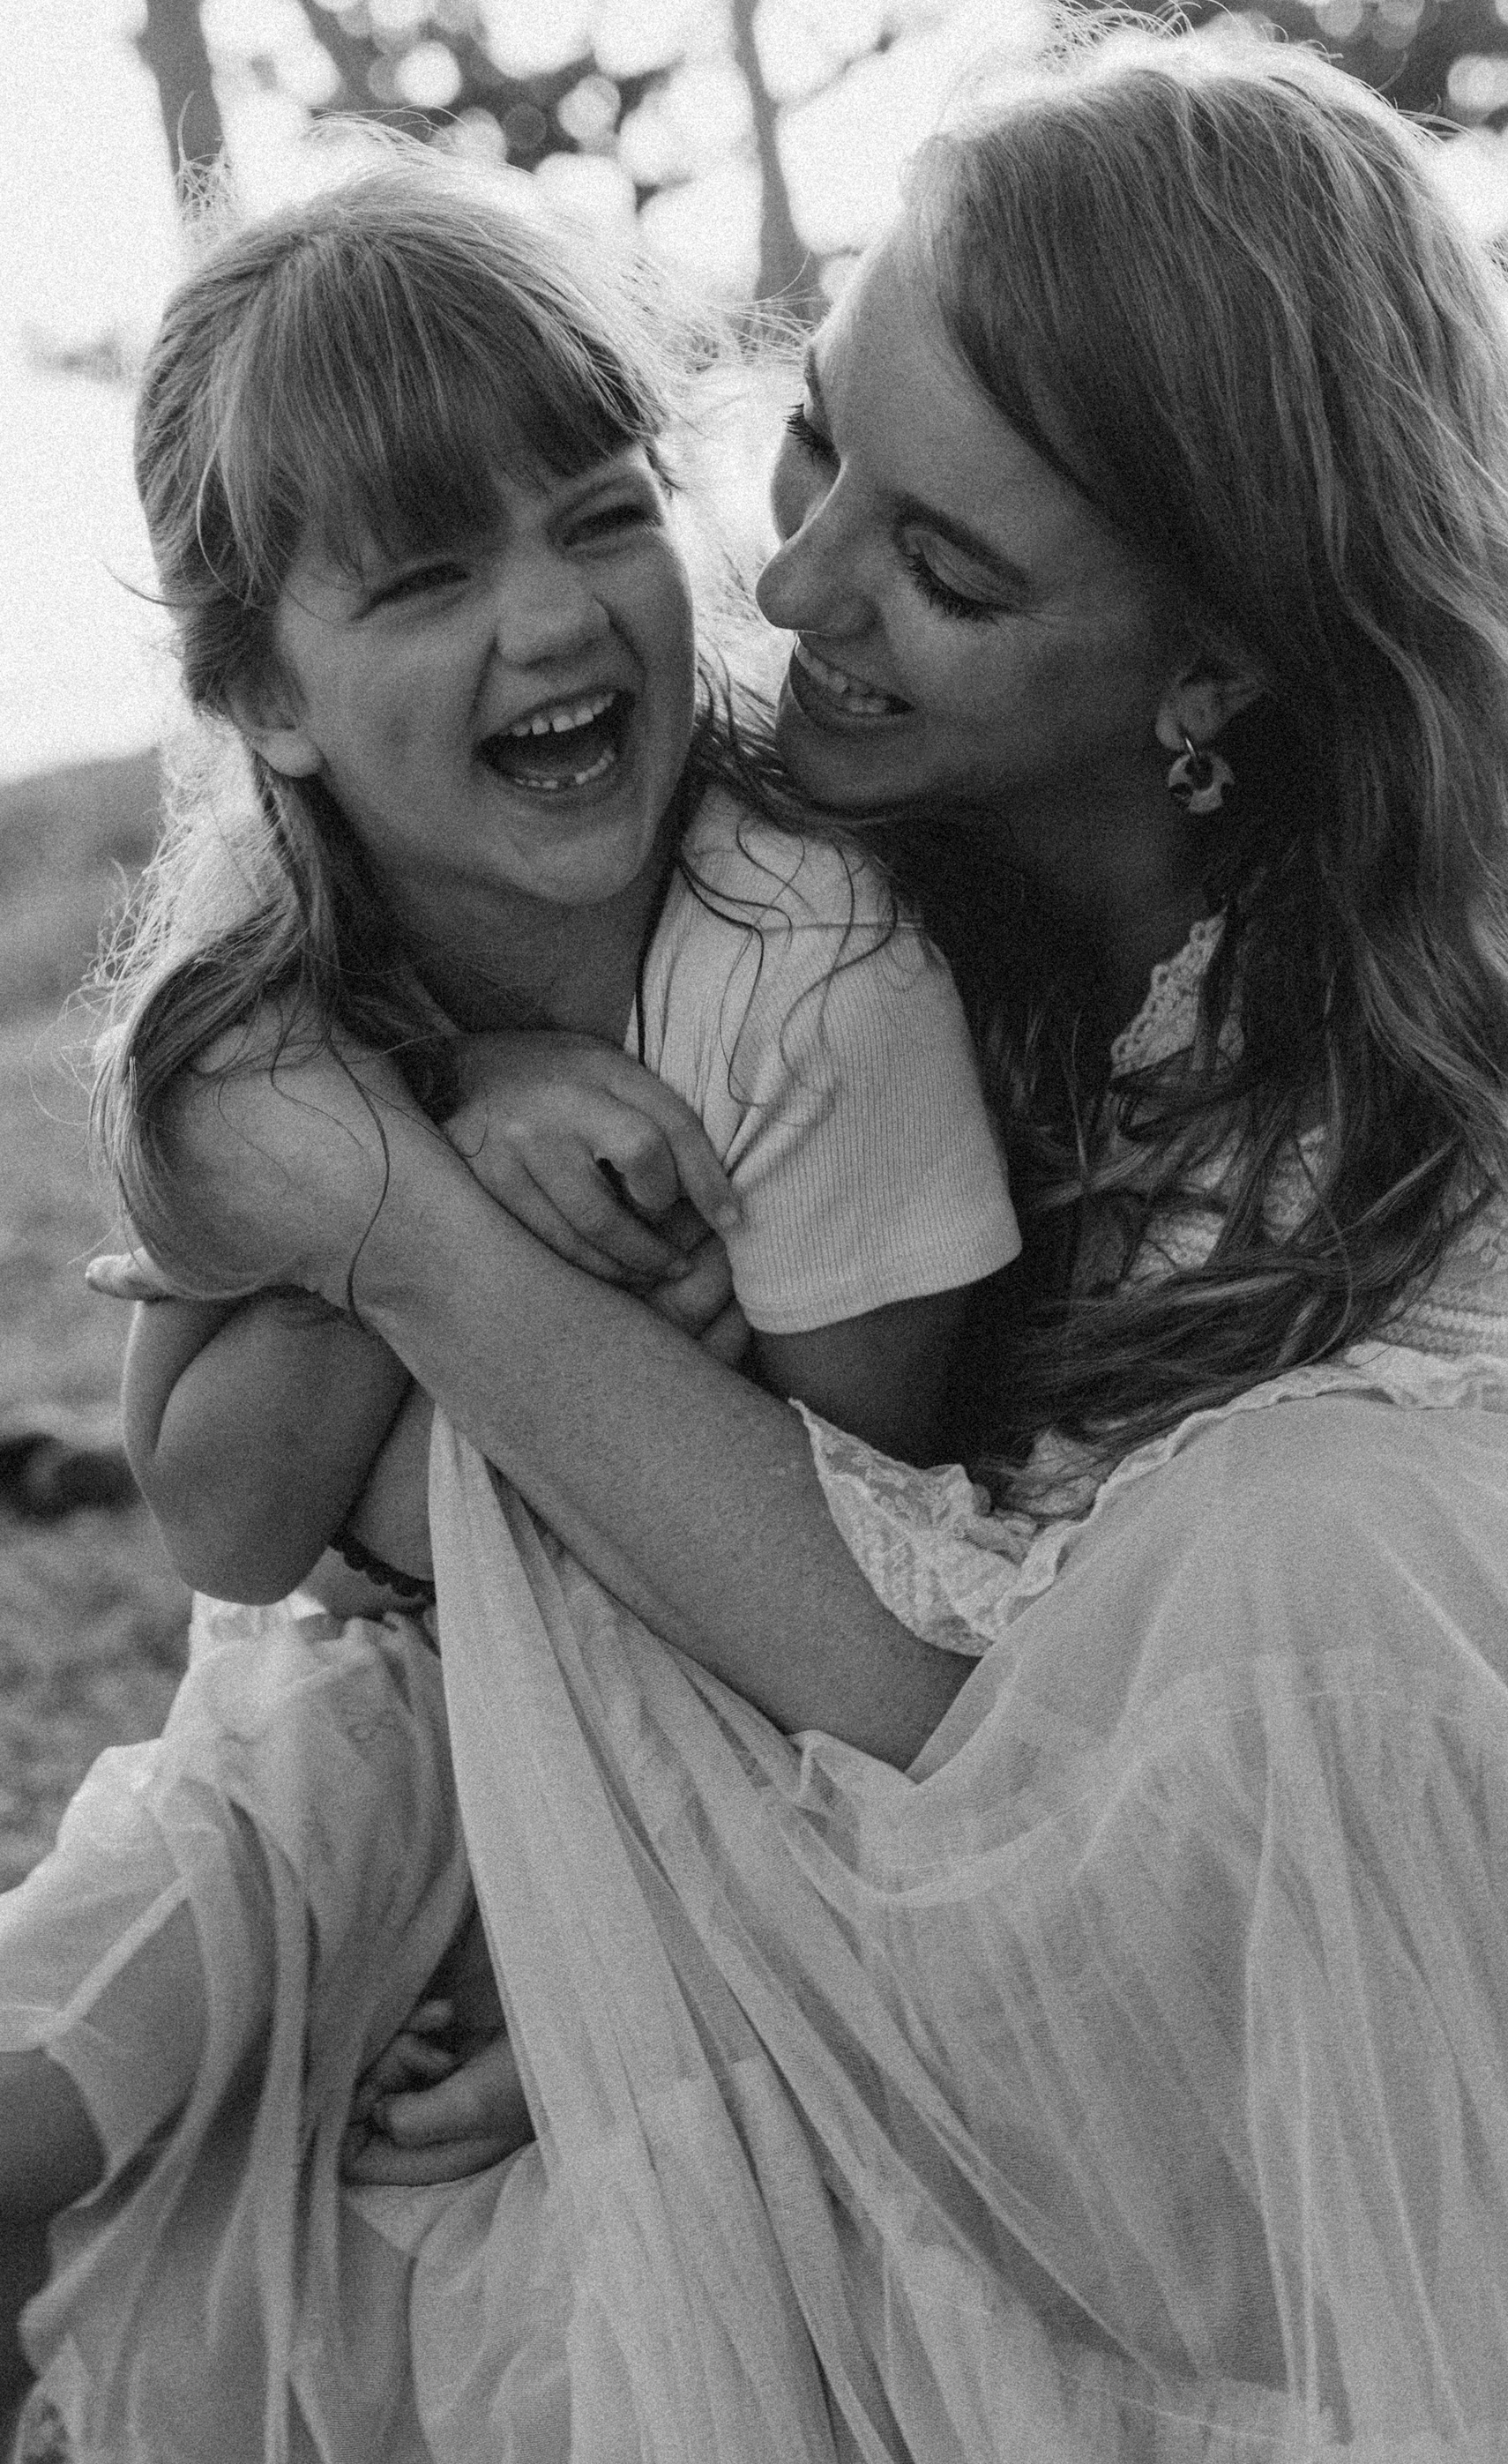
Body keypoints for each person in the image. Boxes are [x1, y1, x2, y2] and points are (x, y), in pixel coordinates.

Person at [13, 20, 1508, 2457]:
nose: (788, 590)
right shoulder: (773, 839)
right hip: (571, 1721)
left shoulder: (1372, 1103)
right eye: (811, 445)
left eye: (945, 569)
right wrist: (435, 1095)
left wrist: (404, 1228)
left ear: (1218, 657)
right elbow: (278, 1460)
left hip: (1148, 1959)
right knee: (245, 1921)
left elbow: (975, 1722)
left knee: (1330, 1544)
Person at [0, 151, 1021, 2460]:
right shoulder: (257, 1006)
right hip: (352, 1703)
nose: (554, 619)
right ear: (260, 692)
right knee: (117, 2003)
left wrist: (565, 1945)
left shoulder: (803, 977)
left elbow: (837, 1594)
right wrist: (419, 1146)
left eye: (597, 512)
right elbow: (224, 1521)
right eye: (429, 574)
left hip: (707, 1754)